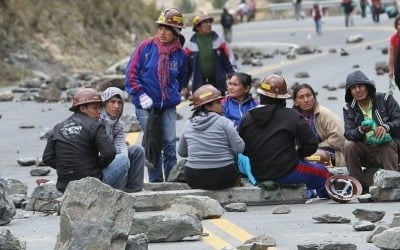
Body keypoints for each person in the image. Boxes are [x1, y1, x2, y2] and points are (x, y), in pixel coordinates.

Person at [239, 74, 331, 198]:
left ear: (261, 96)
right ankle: (323, 193)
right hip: (286, 172)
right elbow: (311, 144)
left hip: (256, 173)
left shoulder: (246, 118)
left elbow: (242, 147)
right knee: (323, 173)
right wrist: (298, 154)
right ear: (282, 99)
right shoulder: (291, 116)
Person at [125, 8, 188, 182]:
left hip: (167, 106)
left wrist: (174, 93)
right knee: (153, 144)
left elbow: (182, 78)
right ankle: (155, 182)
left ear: (176, 32)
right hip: (146, 106)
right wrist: (141, 94)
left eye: (168, 29)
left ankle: (171, 179)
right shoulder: (145, 47)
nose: (162, 32)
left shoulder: (180, 54)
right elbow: (131, 73)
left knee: (169, 144)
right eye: (160, 27)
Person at [42, 88, 116, 192]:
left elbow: (47, 158)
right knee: (125, 159)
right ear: (82, 108)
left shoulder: (57, 128)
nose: (99, 111)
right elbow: (109, 153)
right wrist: (97, 165)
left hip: (64, 186)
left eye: (100, 108)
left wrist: (65, 168)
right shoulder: (95, 125)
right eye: (95, 108)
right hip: (91, 184)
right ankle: (114, 197)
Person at [178, 84, 245, 190]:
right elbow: (239, 148)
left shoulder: (188, 124)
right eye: (218, 102)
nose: (222, 105)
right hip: (224, 177)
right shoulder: (224, 122)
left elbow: (181, 152)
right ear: (208, 106)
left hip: (194, 178)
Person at [343, 70, 400, 190]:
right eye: (353, 88)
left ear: (367, 86)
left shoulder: (385, 99)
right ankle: (357, 186)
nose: (358, 90)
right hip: (368, 151)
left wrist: (386, 127)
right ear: (350, 92)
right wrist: (361, 130)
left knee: (386, 142)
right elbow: (348, 133)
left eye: (360, 86)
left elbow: (398, 119)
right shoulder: (349, 108)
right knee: (349, 145)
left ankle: (392, 184)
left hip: (390, 149)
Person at [101, 87, 145, 192]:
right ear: (104, 103)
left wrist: (124, 163)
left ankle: (133, 190)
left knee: (137, 150)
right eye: (112, 102)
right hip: (98, 173)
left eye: (119, 103)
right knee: (123, 159)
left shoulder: (117, 123)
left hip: (111, 159)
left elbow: (121, 145)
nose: (116, 106)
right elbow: (101, 151)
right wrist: (121, 159)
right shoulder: (97, 122)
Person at [183, 11, 236, 96]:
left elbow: (228, 61)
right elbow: (186, 68)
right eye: (205, 22)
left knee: (219, 107)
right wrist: (184, 86)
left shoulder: (219, 41)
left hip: (218, 84)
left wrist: (233, 77)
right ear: (198, 27)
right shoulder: (189, 44)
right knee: (202, 107)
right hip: (199, 85)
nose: (209, 24)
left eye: (209, 22)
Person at [292, 84, 345, 167]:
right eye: (301, 97)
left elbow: (339, 138)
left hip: (331, 156)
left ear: (314, 97)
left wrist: (315, 148)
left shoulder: (325, 114)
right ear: (295, 102)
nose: (306, 100)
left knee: (314, 157)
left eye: (308, 96)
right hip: (302, 154)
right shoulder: (292, 118)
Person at [389, 16, 400, 90]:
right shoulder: (394, 38)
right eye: (399, 24)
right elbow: (392, 56)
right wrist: (391, 70)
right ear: (396, 26)